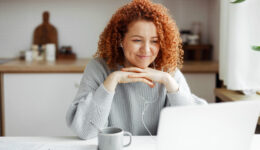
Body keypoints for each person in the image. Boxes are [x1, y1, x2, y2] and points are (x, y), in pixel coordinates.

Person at [66, 0, 207, 140]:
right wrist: (112, 81)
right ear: (120, 40)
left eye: (154, 41)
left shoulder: (168, 70)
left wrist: (168, 81)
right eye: (137, 40)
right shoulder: (99, 68)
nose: (146, 50)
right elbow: (86, 131)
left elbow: (193, 126)